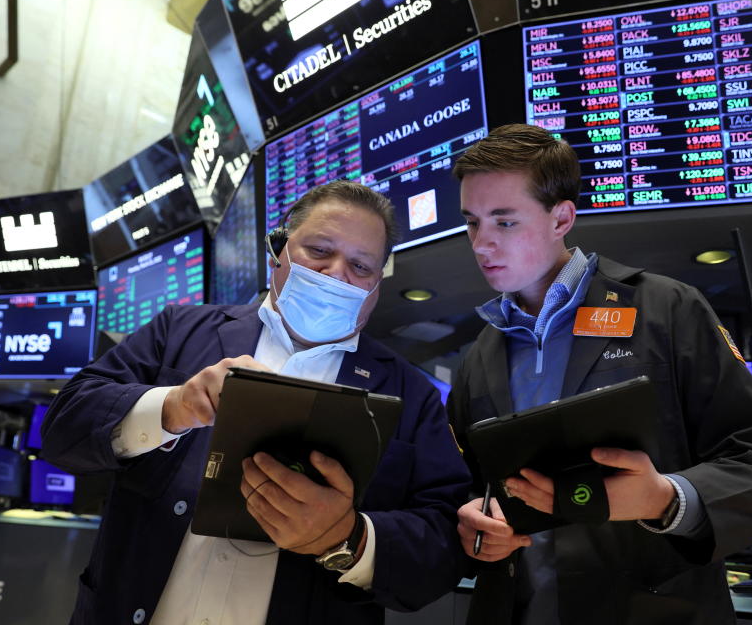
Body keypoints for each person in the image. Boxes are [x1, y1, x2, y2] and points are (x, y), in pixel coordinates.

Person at [41, 180, 470, 625]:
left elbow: (443, 543)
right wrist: (173, 408)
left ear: (377, 285)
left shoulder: (409, 394)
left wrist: (347, 536)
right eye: (320, 251)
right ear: (277, 253)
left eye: (361, 266)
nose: (336, 273)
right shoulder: (182, 331)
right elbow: (63, 427)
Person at [447, 124, 752, 625]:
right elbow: (473, 492)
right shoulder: (480, 354)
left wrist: (663, 498)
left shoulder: (666, 308)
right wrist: (479, 526)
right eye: (472, 223)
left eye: (503, 222)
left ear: (561, 217)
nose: (481, 244)